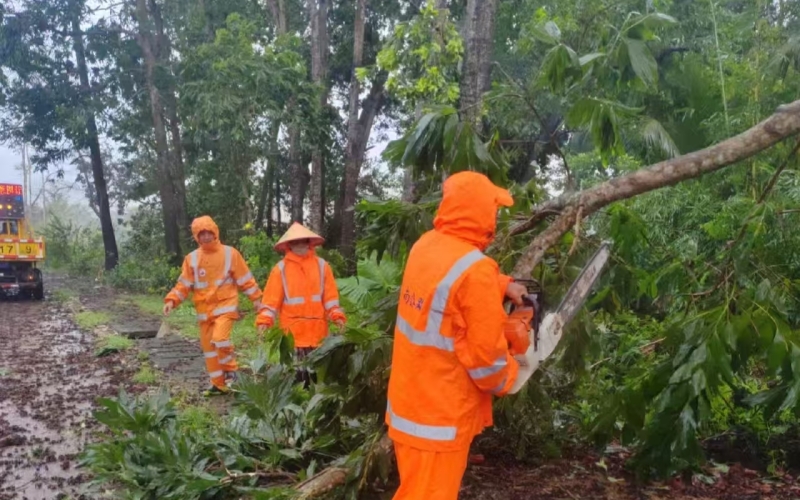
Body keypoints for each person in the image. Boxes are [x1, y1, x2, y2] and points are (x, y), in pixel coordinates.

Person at [386, 171, 540, 500]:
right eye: (493, 209)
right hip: (440, 415)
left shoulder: (425, 245)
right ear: (482, 213)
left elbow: (450, 282)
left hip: (410, 405)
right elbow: (487, 361)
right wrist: (513, 371)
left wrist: (502, 284)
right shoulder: (475, 271)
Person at [163, 216, 263, 396]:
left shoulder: (230, 254)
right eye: (201, 234)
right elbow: (183, 285)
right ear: (196, 237)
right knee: (209, 350)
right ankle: (218, 384)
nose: (206, 236)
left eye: (209, 232)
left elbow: (245, 278)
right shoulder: (192, 259)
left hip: (226, 306)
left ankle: (232, 373)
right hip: (204, 312)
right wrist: (171, 300)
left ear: (215, 232)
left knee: (220, 339)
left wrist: (256, 298)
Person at [256, 222, 346, 387]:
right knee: (298, 377)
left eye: (303, 241)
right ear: (289, 245)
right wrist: (264, 321)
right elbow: (271, 301)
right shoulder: (281, 269)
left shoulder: (322, 266)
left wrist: (337, 315)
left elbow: (330, 298)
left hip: (318, 333)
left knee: (317, 376)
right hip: (293, 334)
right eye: (295, 242)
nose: (299, 244)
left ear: (309, 242)